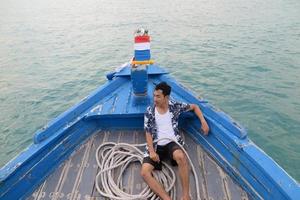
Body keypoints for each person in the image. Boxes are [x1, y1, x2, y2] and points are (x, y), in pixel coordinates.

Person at [140, 82, 209, 200]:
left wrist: (203, 121)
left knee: (181, 157)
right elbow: (148, 133)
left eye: (158, 96)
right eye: (154, 95)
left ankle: (186, 196)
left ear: (166, 97)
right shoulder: (150, 111)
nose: (154, 99)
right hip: (156, 145)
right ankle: (167, 198)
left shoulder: (175, 106)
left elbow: (195, 107)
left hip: (172, 143)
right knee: (145, 173)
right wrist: (152, 152)